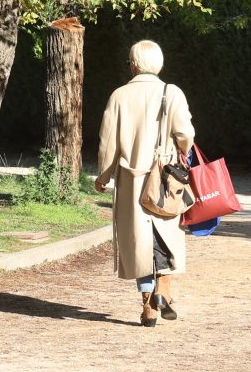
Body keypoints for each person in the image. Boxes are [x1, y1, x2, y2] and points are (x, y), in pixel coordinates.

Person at [94, 40, 195, 327]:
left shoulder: (119, 95)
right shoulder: (172, 92)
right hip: (165, 179)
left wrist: (104, 175)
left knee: (138, 243)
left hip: (132, 179)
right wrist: (182, 149)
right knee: (165, 235)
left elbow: (108, 141)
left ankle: (148, 303)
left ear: (133, 63)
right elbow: (185, 132)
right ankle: (163, 292)